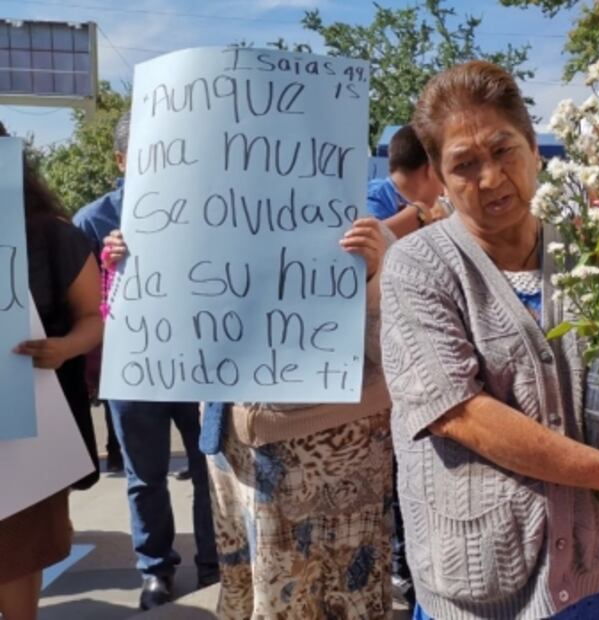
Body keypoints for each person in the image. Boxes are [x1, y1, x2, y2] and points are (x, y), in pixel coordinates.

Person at [380, 60, 599, 619]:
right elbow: (458, 411)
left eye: (503, 151)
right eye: (465, 164)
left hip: (597, 571)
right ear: (439, 175)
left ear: (532, 145)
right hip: (486, 586)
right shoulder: (419, 266)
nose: (491, 178)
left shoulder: (595, 250)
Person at [194, 219, 393, 618]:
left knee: (337, 596)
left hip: (338, 455)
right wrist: (136, 265)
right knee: (257, 593)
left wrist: (373, 276)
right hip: (231, 449)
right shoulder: (205, 216)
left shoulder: (366, 232)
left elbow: (395, 349)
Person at [75, 112, 218, 610]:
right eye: (144, 153)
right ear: (120, 160)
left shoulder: (204, 208)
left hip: (198, 364)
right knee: (144, 476)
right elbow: (78, 306)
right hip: (133, 372)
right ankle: (155, 569)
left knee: (209, 471)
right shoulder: (94, 221)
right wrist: (106, 266)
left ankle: (213, 565)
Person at [0, 123, 103, 620]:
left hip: (24, 436)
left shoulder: (53, 235)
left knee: (17, 557)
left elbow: (92, 318)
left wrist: (64, 348)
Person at [367, 124, 446, 238]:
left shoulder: (381, 193)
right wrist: (419, 213)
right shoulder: (374, 196)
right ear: (431, 170)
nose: (444, 187)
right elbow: (359, 241)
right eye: (442, 174)